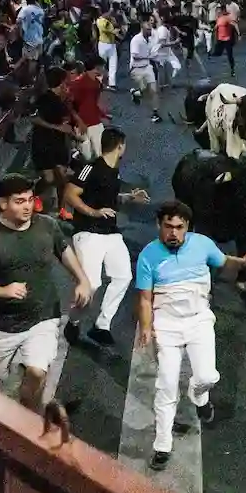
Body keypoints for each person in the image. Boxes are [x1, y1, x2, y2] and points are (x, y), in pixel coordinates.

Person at [134, 200, 246, 471]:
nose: (173, 233)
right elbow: (145, 299)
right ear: (159, 226)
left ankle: (199, 395)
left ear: (187, 227)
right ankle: (162, 445)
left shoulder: (202, 244)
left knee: (207, 377)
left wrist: (244, 262)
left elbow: (225, 264)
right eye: (168, 226)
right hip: (166, 326)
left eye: (179, 227)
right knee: (166, 386)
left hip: (199, 321)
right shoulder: (148, 255)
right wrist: (146, 327)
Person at [0, 174, 92, 413]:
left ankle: (25, 424)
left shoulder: (47, 225)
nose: (28, 206)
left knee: (36, 372)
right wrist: (1, 291)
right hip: (2, 323)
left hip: (43, 315)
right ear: (3, 204)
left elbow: (63, 251)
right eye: (19, 201)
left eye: (30, 199)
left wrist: (82, 280)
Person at [63, 127, 149, 348]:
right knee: (90, 284)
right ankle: (73, 321)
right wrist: (94, 212)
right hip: (89, 232)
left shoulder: (115, 172)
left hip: (111, 233)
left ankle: (101, 326)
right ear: (120, 146)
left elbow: (109, 200)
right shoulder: (90, 167)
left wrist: (130, 197)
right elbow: (70, 194)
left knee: (123, 277)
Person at [30, 66, 78, 215]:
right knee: (49, 179)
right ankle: (33, 194)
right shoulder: (44, 99)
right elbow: (33, 118)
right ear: (61, 82)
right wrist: (57, 127)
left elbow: (66, 124)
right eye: (65, 80)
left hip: (58, 145)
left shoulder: (62, 100)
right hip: (43, 143)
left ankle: (62, 210)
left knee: (62, 179)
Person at [66, 57, 108, 161]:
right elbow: (69, 105)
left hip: (95, 121)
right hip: (81, 124)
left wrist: (102, 114)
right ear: (96, 68)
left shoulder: (97, 83)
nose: (104, 70)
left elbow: (92, 103)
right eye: (102, 67)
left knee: (102, 153)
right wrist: (79, 122)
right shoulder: (78, 84)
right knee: (86, 156)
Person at [128, 19, 162, 122]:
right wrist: (148, 57)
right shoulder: (136, 40)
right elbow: (135, 56)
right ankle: (135, 93)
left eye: (150, 29)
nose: (150, 31)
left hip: (147, 67)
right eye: (148, 29)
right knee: (145, 92)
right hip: (137, 68)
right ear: (142, 29)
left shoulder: (150, 40)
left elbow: (154, 50)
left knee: (154, 91)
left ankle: (155, 113)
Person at [16, 0, 46, 79]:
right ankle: (34, 79)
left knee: (30, 60)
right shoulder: (40, 10)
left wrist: (20, 33)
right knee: (36, 60)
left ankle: (29, 80)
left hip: (29, 38)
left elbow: (18, 21)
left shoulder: (25, 9)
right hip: (39, 37)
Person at [94, 6, 121, 90]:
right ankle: (100, 83)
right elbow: (114, 31)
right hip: (103, 45)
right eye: (109, 12)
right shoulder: (100, 21)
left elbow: (117, 27)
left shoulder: (109, 19)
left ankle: (112, 84)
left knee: (113, 65)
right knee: (102, 65)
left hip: (111, 45)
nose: (110, 14)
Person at [214, 0, 238, 77]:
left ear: (224, 10)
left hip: (227, 39)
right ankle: (216, 70)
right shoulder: (219, 18)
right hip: (220, 39)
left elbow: (234, 25)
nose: (219, 12)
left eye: (220, 11)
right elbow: (216, 27)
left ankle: (232, 70)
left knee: (229, 55)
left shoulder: (228, 17)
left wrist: (239, 34)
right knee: (216, 54)